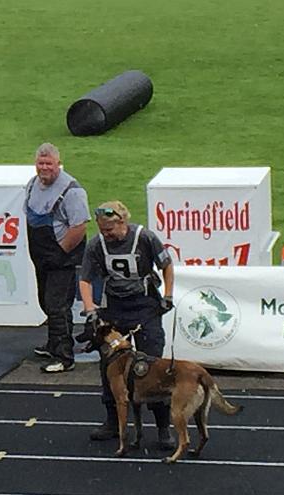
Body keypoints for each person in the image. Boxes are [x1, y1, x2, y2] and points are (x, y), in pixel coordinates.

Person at [78, 200, 175, 449]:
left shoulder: (145, 238)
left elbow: (167, 266)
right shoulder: (96, 245)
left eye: (110, 230)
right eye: (102, 230)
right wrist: (90, 309)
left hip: (145, 308)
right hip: (115, 310)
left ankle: (163, 428)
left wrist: (168, 296)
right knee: (110, 367)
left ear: (122, 222)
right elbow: (85, 279)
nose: (106, 235)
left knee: (152, 367)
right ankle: (113, 422)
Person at [24, 143, 90, 373]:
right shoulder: (32, 185)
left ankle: (64, 356)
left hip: (61, 260)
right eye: (40, 164)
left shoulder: (72, 191)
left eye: (49, 164)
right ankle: (53, 344)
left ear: (58, 164)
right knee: (45, 302)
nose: (44, 168)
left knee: (58, 306)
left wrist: (61, 251)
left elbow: (79, 227)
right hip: (41, 258)